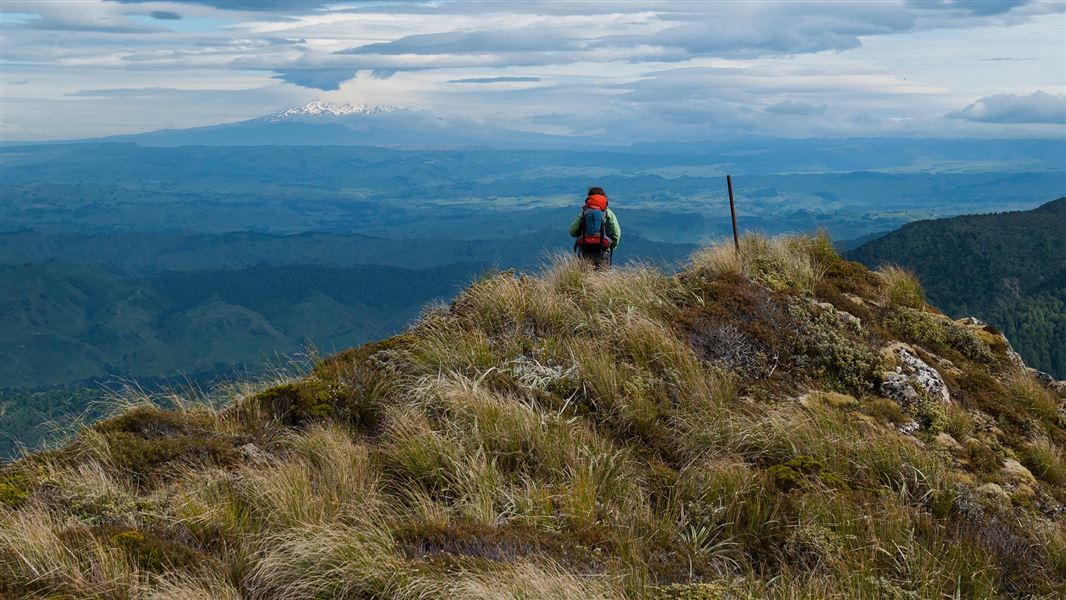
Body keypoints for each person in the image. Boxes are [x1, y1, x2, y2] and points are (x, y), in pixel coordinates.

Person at [569, 186, 621, 269]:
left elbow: (572, 231)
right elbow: (617, 233)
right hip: (603, 252)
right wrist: (612, 246)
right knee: (602, 280)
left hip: (584, 252)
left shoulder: (584, 212)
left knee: (584, 279)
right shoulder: (608, 213)